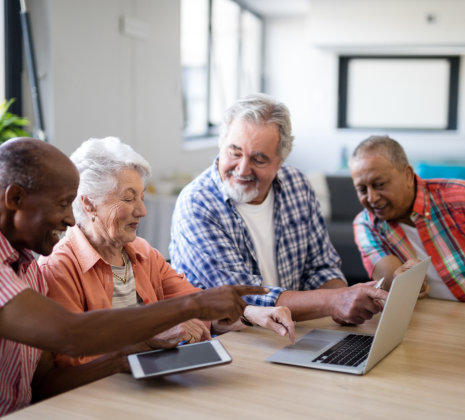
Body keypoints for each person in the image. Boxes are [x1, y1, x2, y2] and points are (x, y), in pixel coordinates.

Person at [0, 137, 267, 417]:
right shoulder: (47, 267)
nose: (70, 218)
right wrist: (193, 306)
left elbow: (42, 386)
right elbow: (71, 334)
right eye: (61, 204)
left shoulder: (29, 269)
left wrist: (130, 353)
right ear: (15, 198)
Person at [39, 136, 294, 368]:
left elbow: (199, 307)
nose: (142, 211)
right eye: (129, 199)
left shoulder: (142, 253)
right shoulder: (59, 267)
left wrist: (252, 314)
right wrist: (147, 339)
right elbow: (71, 363)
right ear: (88, 203)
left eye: (141, 197)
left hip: (155, 380)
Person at [169, 93, 387, 325]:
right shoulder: (197, 204)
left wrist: (344, 303)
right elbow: (241, 297)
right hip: (228, 340)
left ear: (280, 161)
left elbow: (321, 267)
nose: (242, 169)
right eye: (235, 153)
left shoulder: (297, 185)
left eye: (259, 159)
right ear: (221, 146)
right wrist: (334, 301)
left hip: (291, 331)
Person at [349, 135, 465, 301]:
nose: (372, 198)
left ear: (408, 175)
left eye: (379, 184)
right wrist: (405, 281)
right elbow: (393, 283)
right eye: (362, 189)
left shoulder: (459, 197)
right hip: (433, 317)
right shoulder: (366, 224)